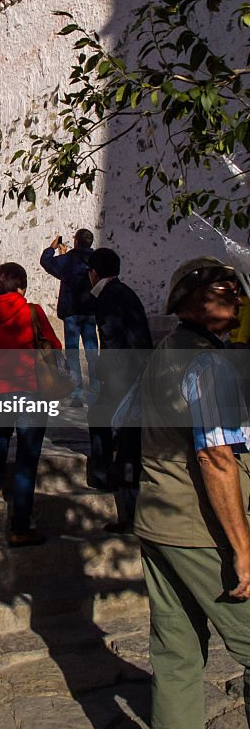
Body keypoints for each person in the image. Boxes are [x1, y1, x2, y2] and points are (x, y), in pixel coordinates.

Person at [135, 257, 250, 729]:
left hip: (160, 521)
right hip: (203, 531)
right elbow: (216, 458)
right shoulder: (207, 363)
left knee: (176, 655)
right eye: (226, 289)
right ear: (194, 302)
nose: (238, 297)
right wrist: (242, 549)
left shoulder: (167, 350)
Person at [0, 261, 62, 547]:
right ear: (20, 285)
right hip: (30, 388)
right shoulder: (32, 311)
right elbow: (54, 346)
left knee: (1, 434)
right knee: (27, 456)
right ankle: (20, 525)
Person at [86, 248, 152, 531]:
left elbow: (112, 338)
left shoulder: (108, 298)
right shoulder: (123, 292)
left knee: (112, 428)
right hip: (136, 369)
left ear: (94, 273)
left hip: (122, 373)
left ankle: (106, 479)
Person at [40, 229, 98, 407]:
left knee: (73, 354)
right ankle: (96, 391)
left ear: (76, 241)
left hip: (71, 311)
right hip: (90, 311)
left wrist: (52, 248)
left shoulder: (68, 260)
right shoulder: (97, 259)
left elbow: (47, 263)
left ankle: (77, 394)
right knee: (92, 352)